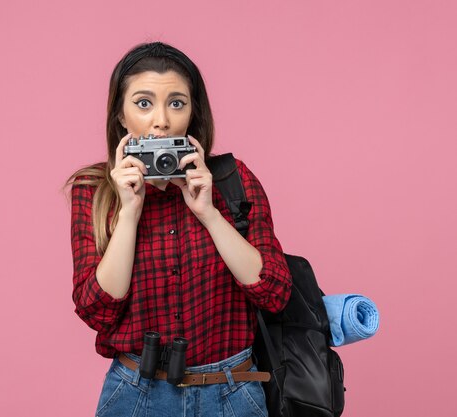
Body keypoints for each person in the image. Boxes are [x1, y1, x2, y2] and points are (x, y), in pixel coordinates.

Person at [67, 42, 292, 417]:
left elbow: (274, 292)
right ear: (120, 116)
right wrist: (129, 212)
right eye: (143, 103)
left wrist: (209, 213)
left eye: (176, 103)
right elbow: (97, 312)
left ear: (192, 112)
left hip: (231, 391)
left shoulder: (232, 180)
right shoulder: (94, 191)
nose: (161, 120)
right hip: (136, 393)